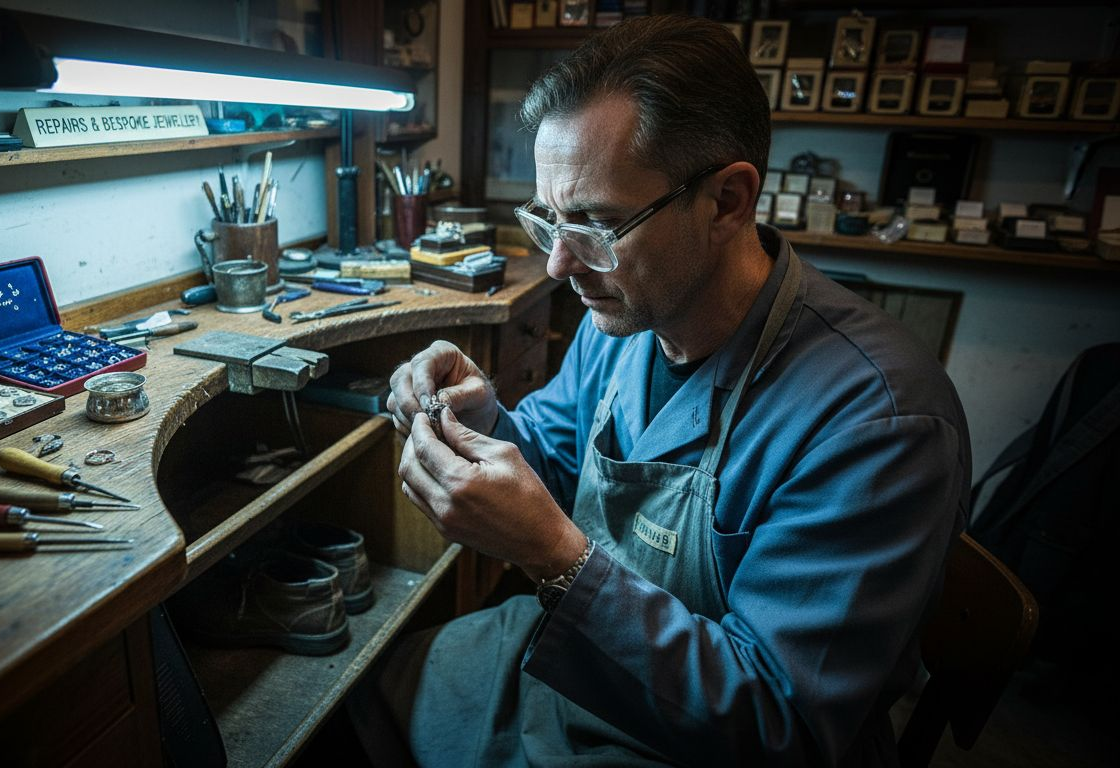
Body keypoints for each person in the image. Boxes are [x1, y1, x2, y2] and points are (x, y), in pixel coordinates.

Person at [359, 14, 969, 767]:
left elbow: (781, 726)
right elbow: (556, 457)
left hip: (699, 737)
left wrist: (556, 559)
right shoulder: (628, 313)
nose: (559, 266)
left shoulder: (876, 421)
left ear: (726, 201)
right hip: (587, 661)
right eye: (549, 221)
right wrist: (482, 419)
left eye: (598, 223)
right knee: (361, 696)